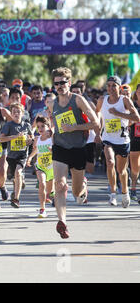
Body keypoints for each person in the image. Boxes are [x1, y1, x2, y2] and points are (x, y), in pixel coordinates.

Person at [47, 67, 99, 239]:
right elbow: (52, 124)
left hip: (78, 149)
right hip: (60, 148)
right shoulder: (52, 103)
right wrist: (49, 132)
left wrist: (75, 127)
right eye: (57, 83)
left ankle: (82, 188)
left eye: (63, 82)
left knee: (76, 192)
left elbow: (95, 123)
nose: (60, 86)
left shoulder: (78, 100)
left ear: (69, 83)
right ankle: (62, 222)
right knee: (60, 185)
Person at [95, 76, 139, 208]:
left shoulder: (124, 100)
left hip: (122, 140)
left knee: (122, 170)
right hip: (108, 138)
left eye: (113, 85)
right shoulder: (102, 100)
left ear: (119, 87)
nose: (110, 88)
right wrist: (98, 131)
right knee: (110, 162)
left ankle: (125, 193)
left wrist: (118, 114)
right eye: (108, 85)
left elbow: (137, 117)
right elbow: (96, 113)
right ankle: (113, 194)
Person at [0, 103, 34, 208]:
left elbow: (31, 139)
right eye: (14, 112)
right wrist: (14, 137)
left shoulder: (27, 125)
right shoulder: (8, 125)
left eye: (18, 111)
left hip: (22, 154)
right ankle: (17, 186)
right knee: (15, 176)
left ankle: (16, 199)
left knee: (18, 172)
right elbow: (1, 139)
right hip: (11, 156)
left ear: (22, 113)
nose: (16, 114)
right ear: (11, 113)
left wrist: (29, 140)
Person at [27, 116, 54, 218]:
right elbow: (35, 150)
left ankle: (50, 193)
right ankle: (42, 209)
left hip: (51, 167)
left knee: (49, 190)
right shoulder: (37, 139)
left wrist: (52, 150)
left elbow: (57, 151)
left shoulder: (52, 138)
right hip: (40, 166)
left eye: (43, 126)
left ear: (48, 126)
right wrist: (29, 158)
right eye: (38, 127)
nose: (40, 129)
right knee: (42, 184)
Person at [129, 89, 140, 202]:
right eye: (139, 92)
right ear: (136, 93)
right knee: (135, 167)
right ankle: (133, 189)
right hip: (135, 139)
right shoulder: (132, 106)